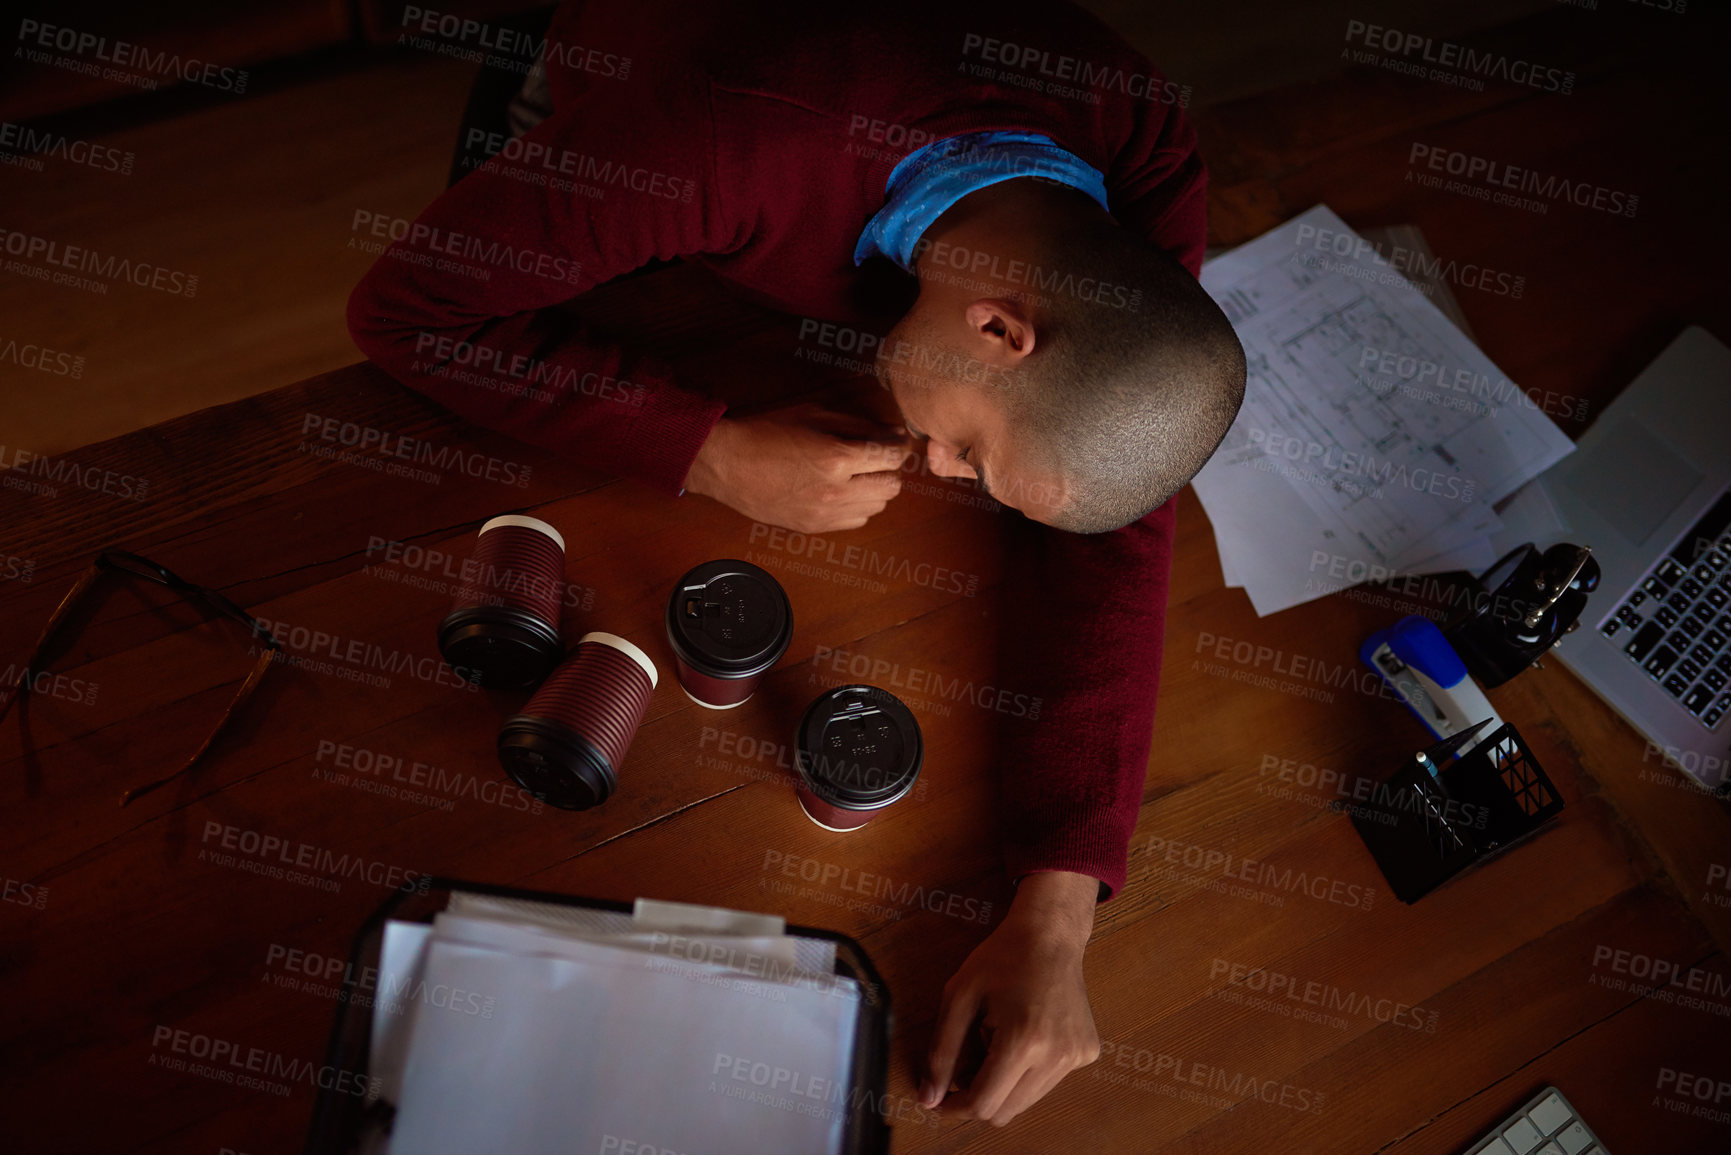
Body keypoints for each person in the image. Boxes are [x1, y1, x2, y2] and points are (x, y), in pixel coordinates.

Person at [347, 0, 1245, 1128]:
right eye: (970, 454)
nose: (946, 475)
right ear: (998, 330)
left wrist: (1060, 903)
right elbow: (407, 313)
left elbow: (1109, 504)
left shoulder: (1143, 143)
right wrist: (709, 450)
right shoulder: (713, 143)